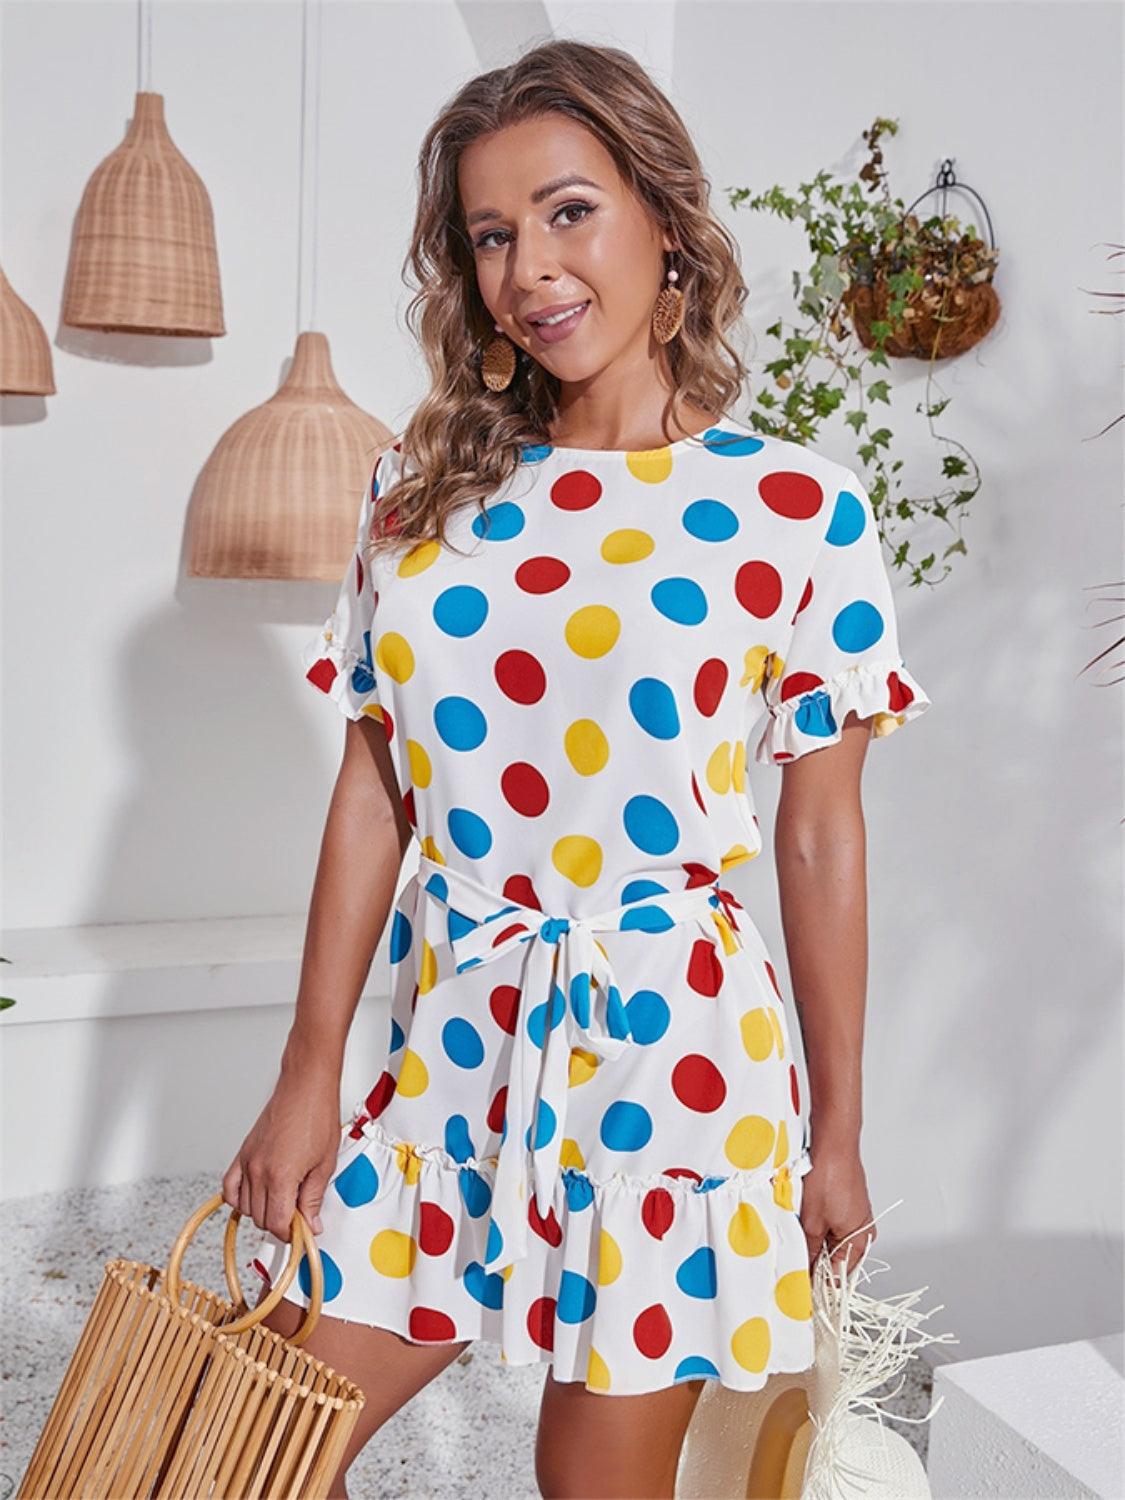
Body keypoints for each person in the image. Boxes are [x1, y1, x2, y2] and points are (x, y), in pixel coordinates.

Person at [223, 37, 931, 1500]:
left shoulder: (795, 509)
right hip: (453, 1038)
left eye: (567, 213)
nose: (528, 270)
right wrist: (308, 1072)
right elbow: (373, 792)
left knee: (587, 1486)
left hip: (674, 1062)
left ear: (664, 220)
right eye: (490, 235)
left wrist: (838, 1137)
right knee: (247, 1446)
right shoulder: (418, 495)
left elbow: (818, 840)